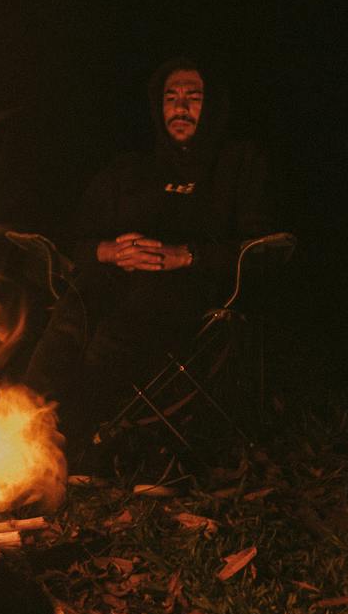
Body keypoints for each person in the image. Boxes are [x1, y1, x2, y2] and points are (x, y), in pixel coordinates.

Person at [23, 56, 271, 448]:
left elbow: (260, 247)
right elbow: (77, 237)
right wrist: (108, 250)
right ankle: (18, 431)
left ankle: (75, 441)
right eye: (171, 97)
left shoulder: (238, 163)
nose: (181, 107)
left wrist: (186, 255)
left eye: (193, 97)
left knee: (114, 333)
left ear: (213, 106)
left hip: (194, 286)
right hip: (115, 277)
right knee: (74, 311)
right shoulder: (131, 170)